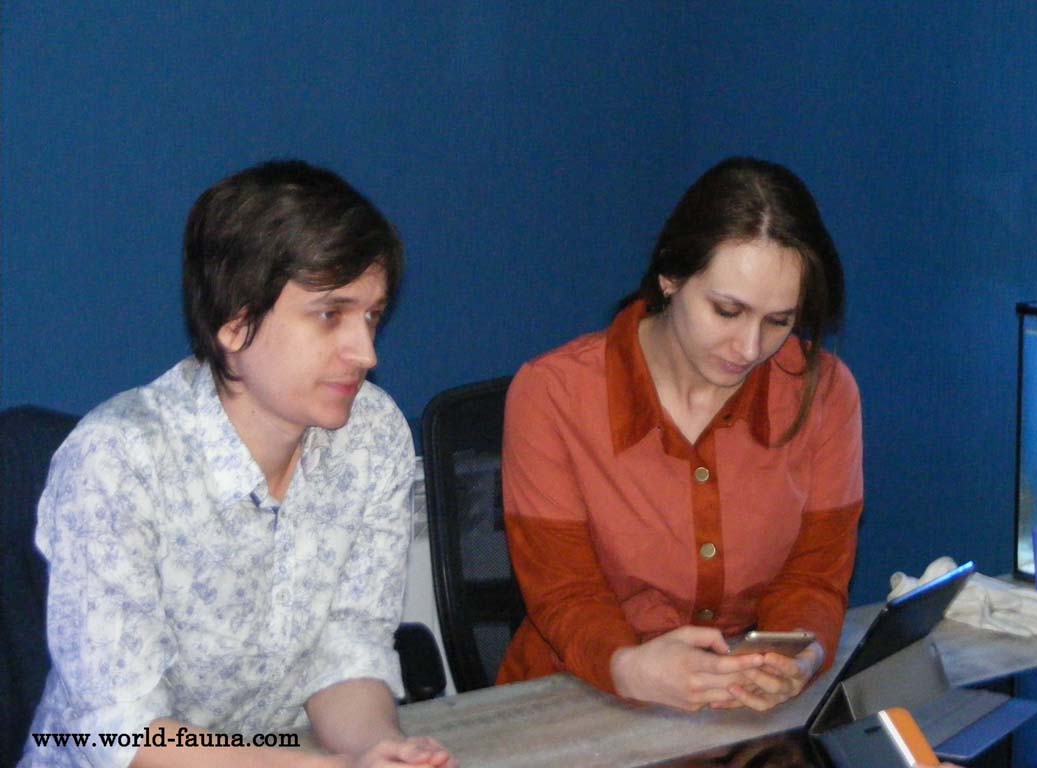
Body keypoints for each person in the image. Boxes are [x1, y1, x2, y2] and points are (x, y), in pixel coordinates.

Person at [21, 161, 456, 768]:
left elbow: (347, 648)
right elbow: (116, 729)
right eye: (330, 314)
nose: (365, 352)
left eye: (371, 316)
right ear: (235, 321)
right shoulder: (117, 461)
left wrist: (373, 748)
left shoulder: (372, 433)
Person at [498, 157, 863, 714]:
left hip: (736, 709)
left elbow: (814, 578)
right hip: (579, 698)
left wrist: (799, 658)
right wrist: (628, 666)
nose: (749, 348)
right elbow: (565, 593)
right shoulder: (552, 394)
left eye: (779, 321)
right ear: (670, 277)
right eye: (727, 311)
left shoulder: (825, 391)